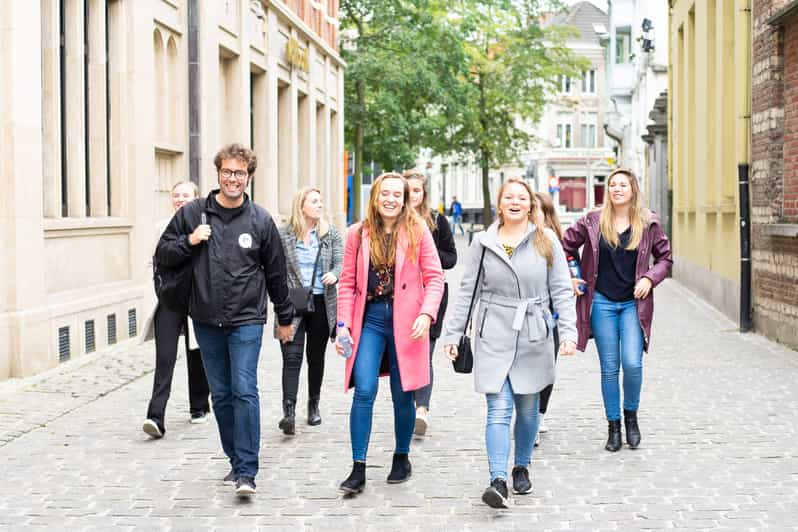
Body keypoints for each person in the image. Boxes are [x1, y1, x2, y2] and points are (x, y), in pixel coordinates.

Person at [156, 143, 293, 497]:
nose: (234, 178)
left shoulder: (260, 220)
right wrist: (189, 241)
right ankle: (235, 461)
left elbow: (277, 273)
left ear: (249, 177)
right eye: (228, 172)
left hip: (247, 319)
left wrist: (285, 316)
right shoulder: (193, 215)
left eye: (240, 173)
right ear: (218, 174)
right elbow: (163, 254)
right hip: (205, 318)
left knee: (244, 388)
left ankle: (248, 470)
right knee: (221, 395)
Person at [442, 177, 576, 509]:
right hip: (494, 332)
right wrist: (453, 334)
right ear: (500, 204)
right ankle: (497, 479)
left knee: (528, 410)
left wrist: (570, 332)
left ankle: (522, 465)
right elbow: (467, 293)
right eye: (509, 197)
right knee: (498, 410)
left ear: (530, 204)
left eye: (521, 197)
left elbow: (561, 289)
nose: (515, 202)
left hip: (533, 331)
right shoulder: (482, 242)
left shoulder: (547, 241)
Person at [335, 172, 444, 494]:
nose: (391, 199)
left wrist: (427, 313)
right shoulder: (358, 233)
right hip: (370, 319)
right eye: (386, 193)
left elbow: (435, 277)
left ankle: (401, 456)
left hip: (406, 322)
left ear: (406, 198)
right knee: (364, 389)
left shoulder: (417, 230)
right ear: (375, 196)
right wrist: (343, 325)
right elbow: (346, 284)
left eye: (398, 194)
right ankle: (358, 467)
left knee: (403, 393)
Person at [562, 168, 673, 452]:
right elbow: (565, 246)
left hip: (633, 305)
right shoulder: (592, 221)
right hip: (601, 302)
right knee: (610, 368)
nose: (617, 189)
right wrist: (574, 273)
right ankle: (613, 426)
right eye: (612, 184)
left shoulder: (648, 222)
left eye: (623, 184)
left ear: (633, 189)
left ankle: (631, 417)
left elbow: (665, 259)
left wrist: (649, 278)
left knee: (633, 363)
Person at [141, 181, 210, 439]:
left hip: (195, 298)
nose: (181, 199)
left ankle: (199, 405)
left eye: (186, 195)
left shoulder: (204, 226)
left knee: (197, 353)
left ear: (196, 198)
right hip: (168, 299)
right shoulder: (161, 227)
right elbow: (155, 259)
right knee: (165, 357)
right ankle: (155, 416)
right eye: (176, 195)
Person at [276, 187, 343, 435]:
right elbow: (274, 268)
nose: (320, 204)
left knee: (316, 358)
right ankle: (289, 412)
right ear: (301, 205)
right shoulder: (283, 235)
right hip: (292, 303)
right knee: (291, 357)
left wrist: (334, 275)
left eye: (321, 200)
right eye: (314, 201)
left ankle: (313, 405)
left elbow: (341, 263)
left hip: (322, 303)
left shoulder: (330, 234)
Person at [403, 169, 457, 436]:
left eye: (417, 190)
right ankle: (406, 406)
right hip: (401, 296)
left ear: (423, 194)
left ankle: (421, 409)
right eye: (408, 190)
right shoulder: (392, 221)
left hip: (431, 294)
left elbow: (451, 258)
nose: (412, 195)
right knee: (405, 353)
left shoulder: (437, 221)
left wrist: (428, 253)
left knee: (425, 353)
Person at [531, 191, 565, 445]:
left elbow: (563, 283)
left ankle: (539, 412)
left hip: (549, 316)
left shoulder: (554, 242)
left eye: (536, 211)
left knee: (546, 368)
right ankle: (527, 416)